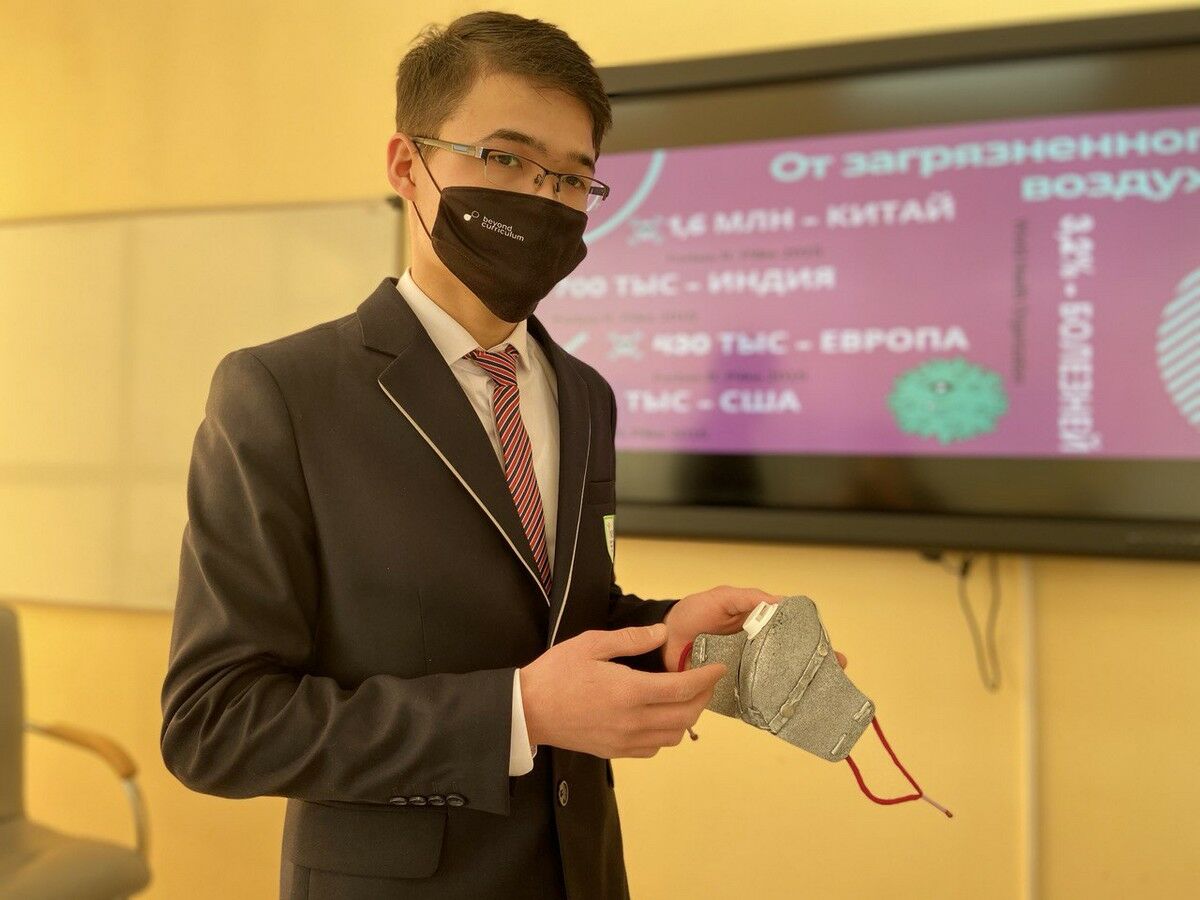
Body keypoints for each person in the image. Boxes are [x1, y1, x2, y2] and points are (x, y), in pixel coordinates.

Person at [159, 11, 846, 900]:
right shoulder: (282, 393)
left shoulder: (584, 394)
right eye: (504, 158)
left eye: (572, 178)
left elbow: (559, 625)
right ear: (407, 165)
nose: (542, 197)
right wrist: (513, 715)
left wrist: (674, 635)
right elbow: (216, 722)